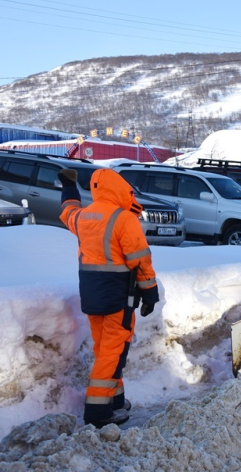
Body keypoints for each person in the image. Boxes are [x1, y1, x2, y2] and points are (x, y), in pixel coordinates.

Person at [58, 167, 160, 428]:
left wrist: (69, 186)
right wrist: (149, 293)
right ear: (120, 189)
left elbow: (67, 212)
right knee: (113, 352)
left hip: (92, 294)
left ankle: (115, 400)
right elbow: (140, 260)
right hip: (118, 295)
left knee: (105, 348)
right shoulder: (124, 218)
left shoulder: (83, 216)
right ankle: (98, 412)